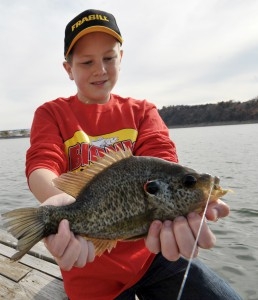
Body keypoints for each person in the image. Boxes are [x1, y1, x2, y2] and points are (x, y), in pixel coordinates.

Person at [25, 9, 242, 300]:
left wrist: (189, 193)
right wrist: (56, 207)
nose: (100, 69)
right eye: (87, 62)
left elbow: (163, 158)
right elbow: (42, 163)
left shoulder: (142, 111)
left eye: (109, 58)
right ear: (68, 68)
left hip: (156, 255)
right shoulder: (52, 113)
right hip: (87, 268)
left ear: (121, 58)